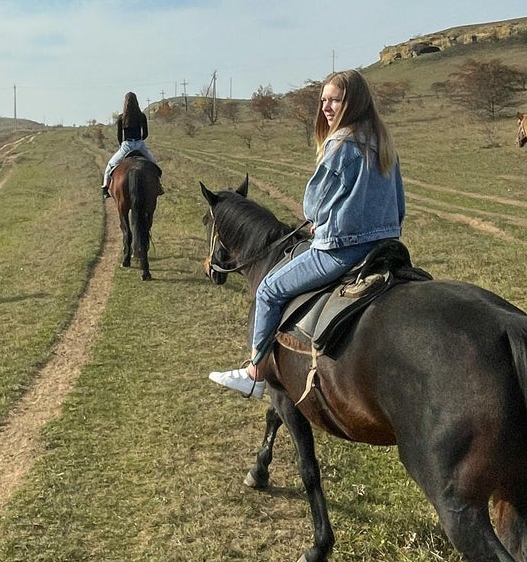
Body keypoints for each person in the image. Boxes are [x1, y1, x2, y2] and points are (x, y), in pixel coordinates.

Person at [208, 69, 405, 397]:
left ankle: (255, 372)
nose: (327, 107)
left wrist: (319, 220)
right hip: (385, 244)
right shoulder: (382, 141)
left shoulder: (341, 142)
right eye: (324, 100)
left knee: (269, 290)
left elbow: (313, 204)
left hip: (341, 249)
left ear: (352, 102)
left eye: (335, 100)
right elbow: (398, 204)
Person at [101, 91, 163, 195]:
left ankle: (105, 188)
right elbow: (146, 134)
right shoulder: (141, 116)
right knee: (154, 163)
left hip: (127, 146)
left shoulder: (121, 118)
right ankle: (159, 186)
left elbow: (119, 136)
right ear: (136, 102)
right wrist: (140, 139)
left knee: (110, 165)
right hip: (139, 144)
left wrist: (123, 144)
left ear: (125, 103)